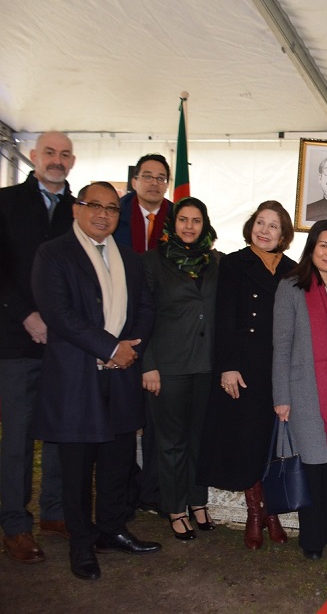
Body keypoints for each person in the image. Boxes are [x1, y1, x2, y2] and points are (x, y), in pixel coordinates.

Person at [32, 181, 161, 580]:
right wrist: (110, 348)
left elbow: (144, 307)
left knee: (117, 462)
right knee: (76, 469)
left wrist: (131, 348)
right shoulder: (53, 254)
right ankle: (81, 544)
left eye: (111, 208)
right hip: (78, 378)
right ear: (77, 209)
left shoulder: (128, 257)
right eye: (94, 206)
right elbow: (60, 314)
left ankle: (112, 530)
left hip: (121, 377)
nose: (103, 214)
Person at [197, 201, 295, 549]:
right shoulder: (234, 263)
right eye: (260, 222)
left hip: (279, 367)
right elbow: (223, 315)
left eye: (273, 226)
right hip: (244, 367)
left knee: (273, 440)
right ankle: (257, 514)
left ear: (284, 234)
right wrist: (227, 365)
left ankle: (272, 511)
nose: (265, 230)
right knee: (248, 440)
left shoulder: (293, 269)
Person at [0, 131, 73, 563]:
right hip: (15, 341)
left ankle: (55, 512)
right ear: (32, 156)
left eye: (64, 154)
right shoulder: (6, 203)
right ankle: (14, 524)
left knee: (61, 431)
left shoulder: (80, 210)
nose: (56, 160)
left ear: (73, 160)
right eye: (49, 152)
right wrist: (25, 314)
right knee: (19, 439)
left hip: (64, 346)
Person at [272, 220, 327, 559]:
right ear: (312, 248)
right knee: (313, 467)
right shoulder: (291, 287)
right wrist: (281, 397)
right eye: (324, 245)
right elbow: (281, 345)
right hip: (305, 394)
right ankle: (312, 540)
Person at [141, 197, 221, 541]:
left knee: (200, 440)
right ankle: (174, 508)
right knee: (171, 442)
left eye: (196, 220)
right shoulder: (153, 262)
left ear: (205, 225)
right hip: (168, 367)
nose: (189, 226)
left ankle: (198, 502)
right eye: (183, 220)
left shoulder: (217, 261)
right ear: (172, 223)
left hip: (207, 366)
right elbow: (142, 317)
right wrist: (148, 365)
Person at [114, 153, 174, 517]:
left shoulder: (178, 218)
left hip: (161, 332)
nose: (154, 182)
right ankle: (121, 493)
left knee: (155, 420)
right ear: (135, 180)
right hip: (116, 327)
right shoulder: (114, 215)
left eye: (161, 177)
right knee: (120, 419)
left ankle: (151, 490)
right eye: (147, 176)